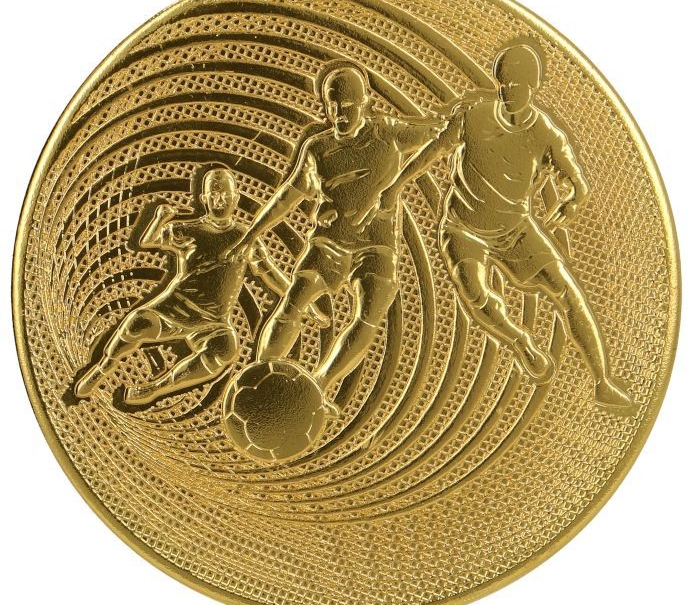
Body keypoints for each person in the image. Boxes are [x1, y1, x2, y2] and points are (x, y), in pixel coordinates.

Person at [368, 43, 634, 410]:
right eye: (504, 84)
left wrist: (573, 201)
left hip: (516, 230)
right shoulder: (473, 116)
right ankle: (520, 341)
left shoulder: (546, 133)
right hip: (463, 229)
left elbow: (579, 184)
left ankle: (603, 381)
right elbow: (434, 150)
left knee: (568, 292)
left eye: (518, 86)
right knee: (477, 295)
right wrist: (396, 185)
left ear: (533, 87)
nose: (509, 92)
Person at [229, 60, 448, 408]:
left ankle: (318, 386)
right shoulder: (317, 149)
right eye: (333, 106)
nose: (340, 114)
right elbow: (287, 196)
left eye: (348, 106)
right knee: (294, 301)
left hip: (375, 246)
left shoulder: (388, 132)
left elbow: (439, 134)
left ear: (364, 103)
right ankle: (258, 380)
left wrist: (462, 119)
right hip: (328, 242)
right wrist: (252, 233)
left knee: (369, 311)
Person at [73, 165, 326, 406]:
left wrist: (301, 301)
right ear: (204, 199)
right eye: (214, 195)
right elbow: (149, 241)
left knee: (226, 348)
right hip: (174, 308)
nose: (220, 200)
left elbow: (271, 274)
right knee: (137, 322)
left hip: (213, 322)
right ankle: (101, 368)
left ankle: (154, 389)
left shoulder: (246, 237)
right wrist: (159, 219)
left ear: (236, 198)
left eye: (225, 195)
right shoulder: (188, 230)